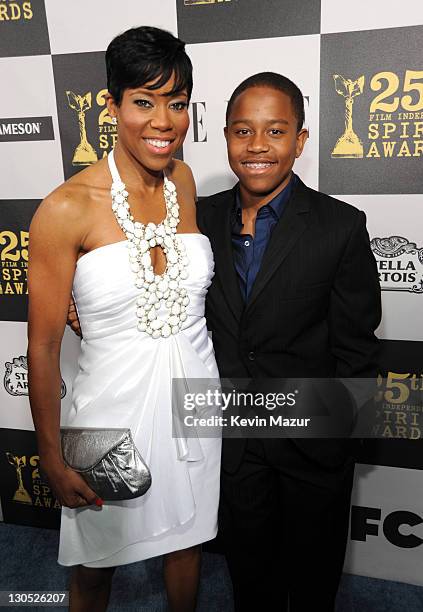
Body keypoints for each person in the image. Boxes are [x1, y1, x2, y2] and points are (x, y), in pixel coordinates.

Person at [28, 26, 221, 612]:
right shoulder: (64, 209)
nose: (164, 121)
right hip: (111, 416)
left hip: (195, 400)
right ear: (111, 106)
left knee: (188, 550)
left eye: (178, 103)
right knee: (94, 567)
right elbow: (41, 347)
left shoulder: (183, 182)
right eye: (144, 101)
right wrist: (52, 458)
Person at [196, 73, 381, 611]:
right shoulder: (197, 218)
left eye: (275, 131)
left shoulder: (340, 226)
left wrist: (339, 439)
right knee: (249, 579)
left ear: (300, 141)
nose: (257, 146)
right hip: (234, 439)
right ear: (226, 137)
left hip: (313, 441)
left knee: (313, 580)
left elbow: (358, 346)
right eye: (242, 131)